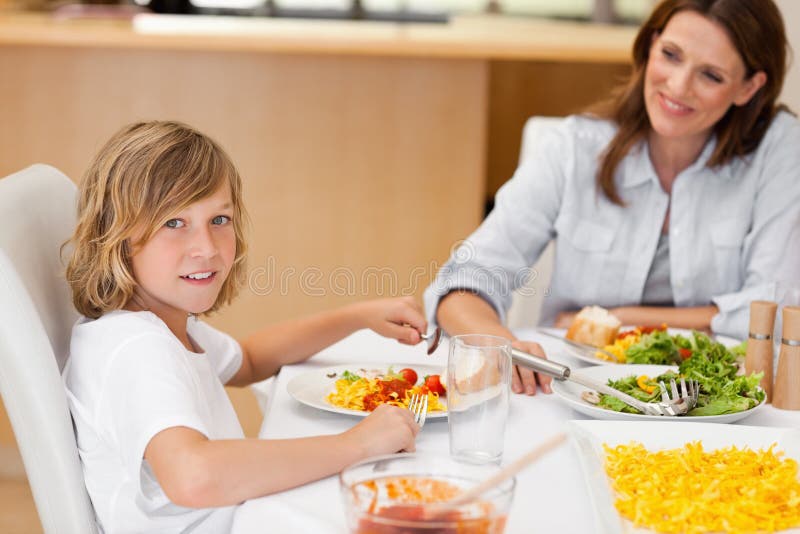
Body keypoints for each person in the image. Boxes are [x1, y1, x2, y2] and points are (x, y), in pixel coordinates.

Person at [63, 121, 427, 533]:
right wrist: (355, 445)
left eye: (219, 219)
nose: (207, 247)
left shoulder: (164, 326)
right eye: (174, 223)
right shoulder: (137, 347)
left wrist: (357, 318)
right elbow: (193, 476)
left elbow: (251, 359)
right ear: (117, 235)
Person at [424, 0, 800, 395]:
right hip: (576, 391)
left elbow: (776, 312)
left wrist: (619, 318)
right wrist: (503, 344)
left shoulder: (779, 149)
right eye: (670, 55)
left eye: (710, 75)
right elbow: (463, 281)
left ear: (749, 87)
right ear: (650, 45)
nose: (678, 86)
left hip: (718, 398)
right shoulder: (573, 148)